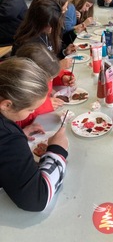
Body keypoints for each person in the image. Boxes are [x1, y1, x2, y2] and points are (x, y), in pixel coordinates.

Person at [0, 57, 68, 211]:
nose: (32, 113)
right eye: (30, 110)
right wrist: (57, 150)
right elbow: (37, 199)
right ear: (6, 105)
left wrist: (20, 133)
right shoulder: (7, 137)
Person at [15, 43, 75, 131]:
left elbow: (50, 73)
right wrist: (41, 107)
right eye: (49, 79)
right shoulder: (16, 92)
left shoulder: (40, 73)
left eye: (52, 78)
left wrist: (61, 77)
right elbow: (15, 122)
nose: (50, 81)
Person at [12, 0, 74, 69]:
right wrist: (58, 67)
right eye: (50, 24)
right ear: (40, 22)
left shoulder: (45, 33)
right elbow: (32, 74)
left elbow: (52, 55)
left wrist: (64, 52)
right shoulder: (28, 44)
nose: (52, 28)